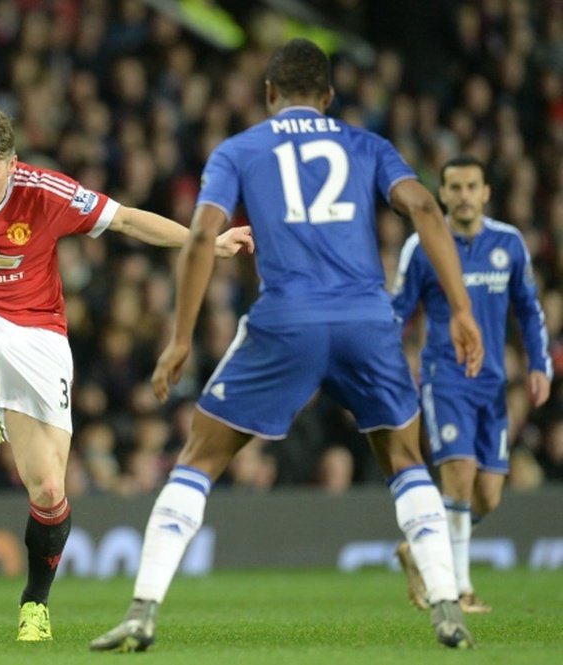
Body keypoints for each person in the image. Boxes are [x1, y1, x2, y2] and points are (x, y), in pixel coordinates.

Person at [88, 38, 485, 653]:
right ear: (328, 97)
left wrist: (181, 337)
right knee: (405, 461)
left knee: (199, 457)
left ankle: (142, 609)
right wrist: (460, 309)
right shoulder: (367, 144)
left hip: (287, 321)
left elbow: (200, 238)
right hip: (365, 320)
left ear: (269, 93)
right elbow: (426, 210)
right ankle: (445, 607)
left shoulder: (239, 149)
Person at [0, 106, 254, 641]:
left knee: (48, 491)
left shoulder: (45, 192)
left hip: (38, 337)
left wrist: (207, 241)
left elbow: (126, 218)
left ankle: (34, 604)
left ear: (12, 164)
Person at [391, 155, 551, 614]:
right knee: (458, 475)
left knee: (488, 494)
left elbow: (529, 309)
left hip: (493, 382)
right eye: (454, 187)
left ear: (485, 193)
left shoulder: (509, 243)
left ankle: (420, 547)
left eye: (471, 187)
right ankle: (460, 588)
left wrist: (539, 364)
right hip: (445, 377)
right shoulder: (422, 246)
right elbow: (398, 312)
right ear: (441, 194)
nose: (463, 196)